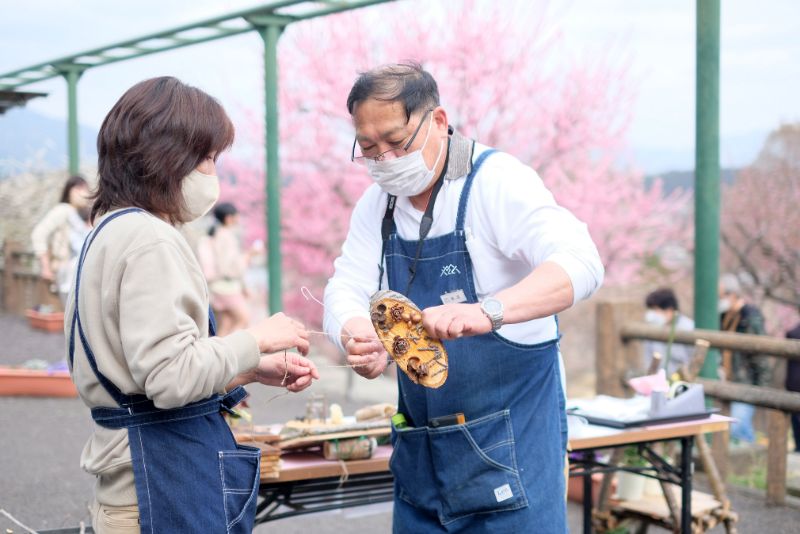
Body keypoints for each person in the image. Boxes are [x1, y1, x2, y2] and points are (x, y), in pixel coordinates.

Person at [323, 63, 604, 532]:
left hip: (511, 449)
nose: (385, 159)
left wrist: (486, 312)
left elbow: (581, 262)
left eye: (396, 141)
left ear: (436, 121)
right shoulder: (377, 205)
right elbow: (344, 285)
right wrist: (353, 332)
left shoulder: (496, 182)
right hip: (423, 460)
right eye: (368, 148)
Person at [65, 77, 318, 534]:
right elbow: (170, 378)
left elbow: (139, 374)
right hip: (155, 489)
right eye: (207, 158)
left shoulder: (106, 231)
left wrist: (249, 368)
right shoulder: (150, 239)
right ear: (169, 157)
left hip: (130, 482)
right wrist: (256, 338)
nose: (211, 172)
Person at [718, 273, 773, 443]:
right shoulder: (724, 316)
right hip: (728, 379)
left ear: (732, 295)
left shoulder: (750, 316)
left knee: (737, 425)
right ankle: (753, 460)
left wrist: (762, 388)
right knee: (738, 427)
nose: (718, 300)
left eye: (721, 296)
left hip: (746, 381)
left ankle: (753, 458)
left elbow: (761, 355)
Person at [31, 175, 91, 304]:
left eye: (85, 188)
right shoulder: (63, 210)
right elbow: (39, 233)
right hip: (67, 273)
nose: (82, 193)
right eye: (78, 189)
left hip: (85, 273)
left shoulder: (87, 215)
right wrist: (45, 266)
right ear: (69, 191)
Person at [198, 202, 253, 336]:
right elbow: (228, 267)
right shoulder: (226, 236)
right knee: (243, 319)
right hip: (226, 287)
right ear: (229, 218)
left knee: (225, 324)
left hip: (215, 287)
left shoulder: (214, 235)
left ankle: (218, 354)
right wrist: (248, 256)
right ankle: (228, 351)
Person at [642, 288, 696, 377]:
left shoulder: (688, 328)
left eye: (655, 309)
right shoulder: (652, 329)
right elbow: (648, 360)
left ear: (669, 310)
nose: (652, 314)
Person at [786, 316, 800, 453]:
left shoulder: (793, 331)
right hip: (795, 383)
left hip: (793, 382)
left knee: (796, 419)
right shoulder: (794, 332)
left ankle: (798, 447)